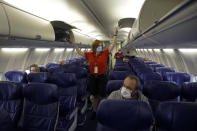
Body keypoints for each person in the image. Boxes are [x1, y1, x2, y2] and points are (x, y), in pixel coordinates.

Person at [71, 28, 118, 112]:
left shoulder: (105, 53)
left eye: (101, 46)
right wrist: (74, 44)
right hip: (92, 77)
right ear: (95, 47)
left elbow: (112, 44)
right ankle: (96, 111)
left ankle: (103, 110)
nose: (101, 47)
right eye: (99, 46)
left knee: (103, 95)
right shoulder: (89, 54)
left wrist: (115, 35)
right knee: (95, 96)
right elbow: (79, 52)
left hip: (102, 77)